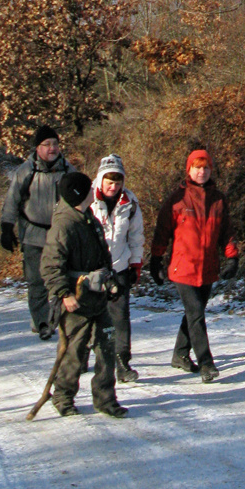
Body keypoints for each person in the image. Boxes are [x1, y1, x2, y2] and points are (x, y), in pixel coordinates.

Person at [39, 171, 128, 418]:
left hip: (97, 297)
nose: (93, 191)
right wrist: (64, 294)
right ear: (78, 194)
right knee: (74, 352)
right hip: (76, 300)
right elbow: (49, 266)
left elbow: (103, 255)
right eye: (88, 188)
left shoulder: (88, 219)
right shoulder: (64, 225)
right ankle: (63, 396)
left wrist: (110, 280)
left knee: (106, 347)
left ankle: (105, 399)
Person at [149, 148, 239, 383]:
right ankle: (206, 363)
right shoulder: (177, 199)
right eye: (197, 167)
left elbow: (226, 231)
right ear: (188, 170)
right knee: (196, 313)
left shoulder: (218, 199)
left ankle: (180, 354)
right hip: (183, 267)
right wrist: (155, 259)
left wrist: (232, 257)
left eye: (206, 167)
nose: (202, 171)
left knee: (193, 313)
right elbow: (162, 232)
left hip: (208, 267)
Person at [0, 125, 74, 339]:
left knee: (63, 279)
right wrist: (6, 227)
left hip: (61, 235)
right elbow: (12, 201)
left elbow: (83, 199)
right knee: (36, 281)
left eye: (55, 144)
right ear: (38, 148)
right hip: (32, 234)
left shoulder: (69, 171)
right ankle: (42, 322)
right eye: (47, 144)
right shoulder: (26, 170)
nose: (52, 148)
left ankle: (63, 319)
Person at [89, 154, 145, 383]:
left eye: (118, 182)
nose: (113, 187)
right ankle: (87, 351)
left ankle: (123, 362)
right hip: (92, 269)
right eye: (109, 182)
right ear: (100, 180)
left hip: (119, 266)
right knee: (90, 315)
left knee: (121, 317)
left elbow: (136, 236)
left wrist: (135, 265)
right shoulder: (87, 201)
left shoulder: (130, 203)